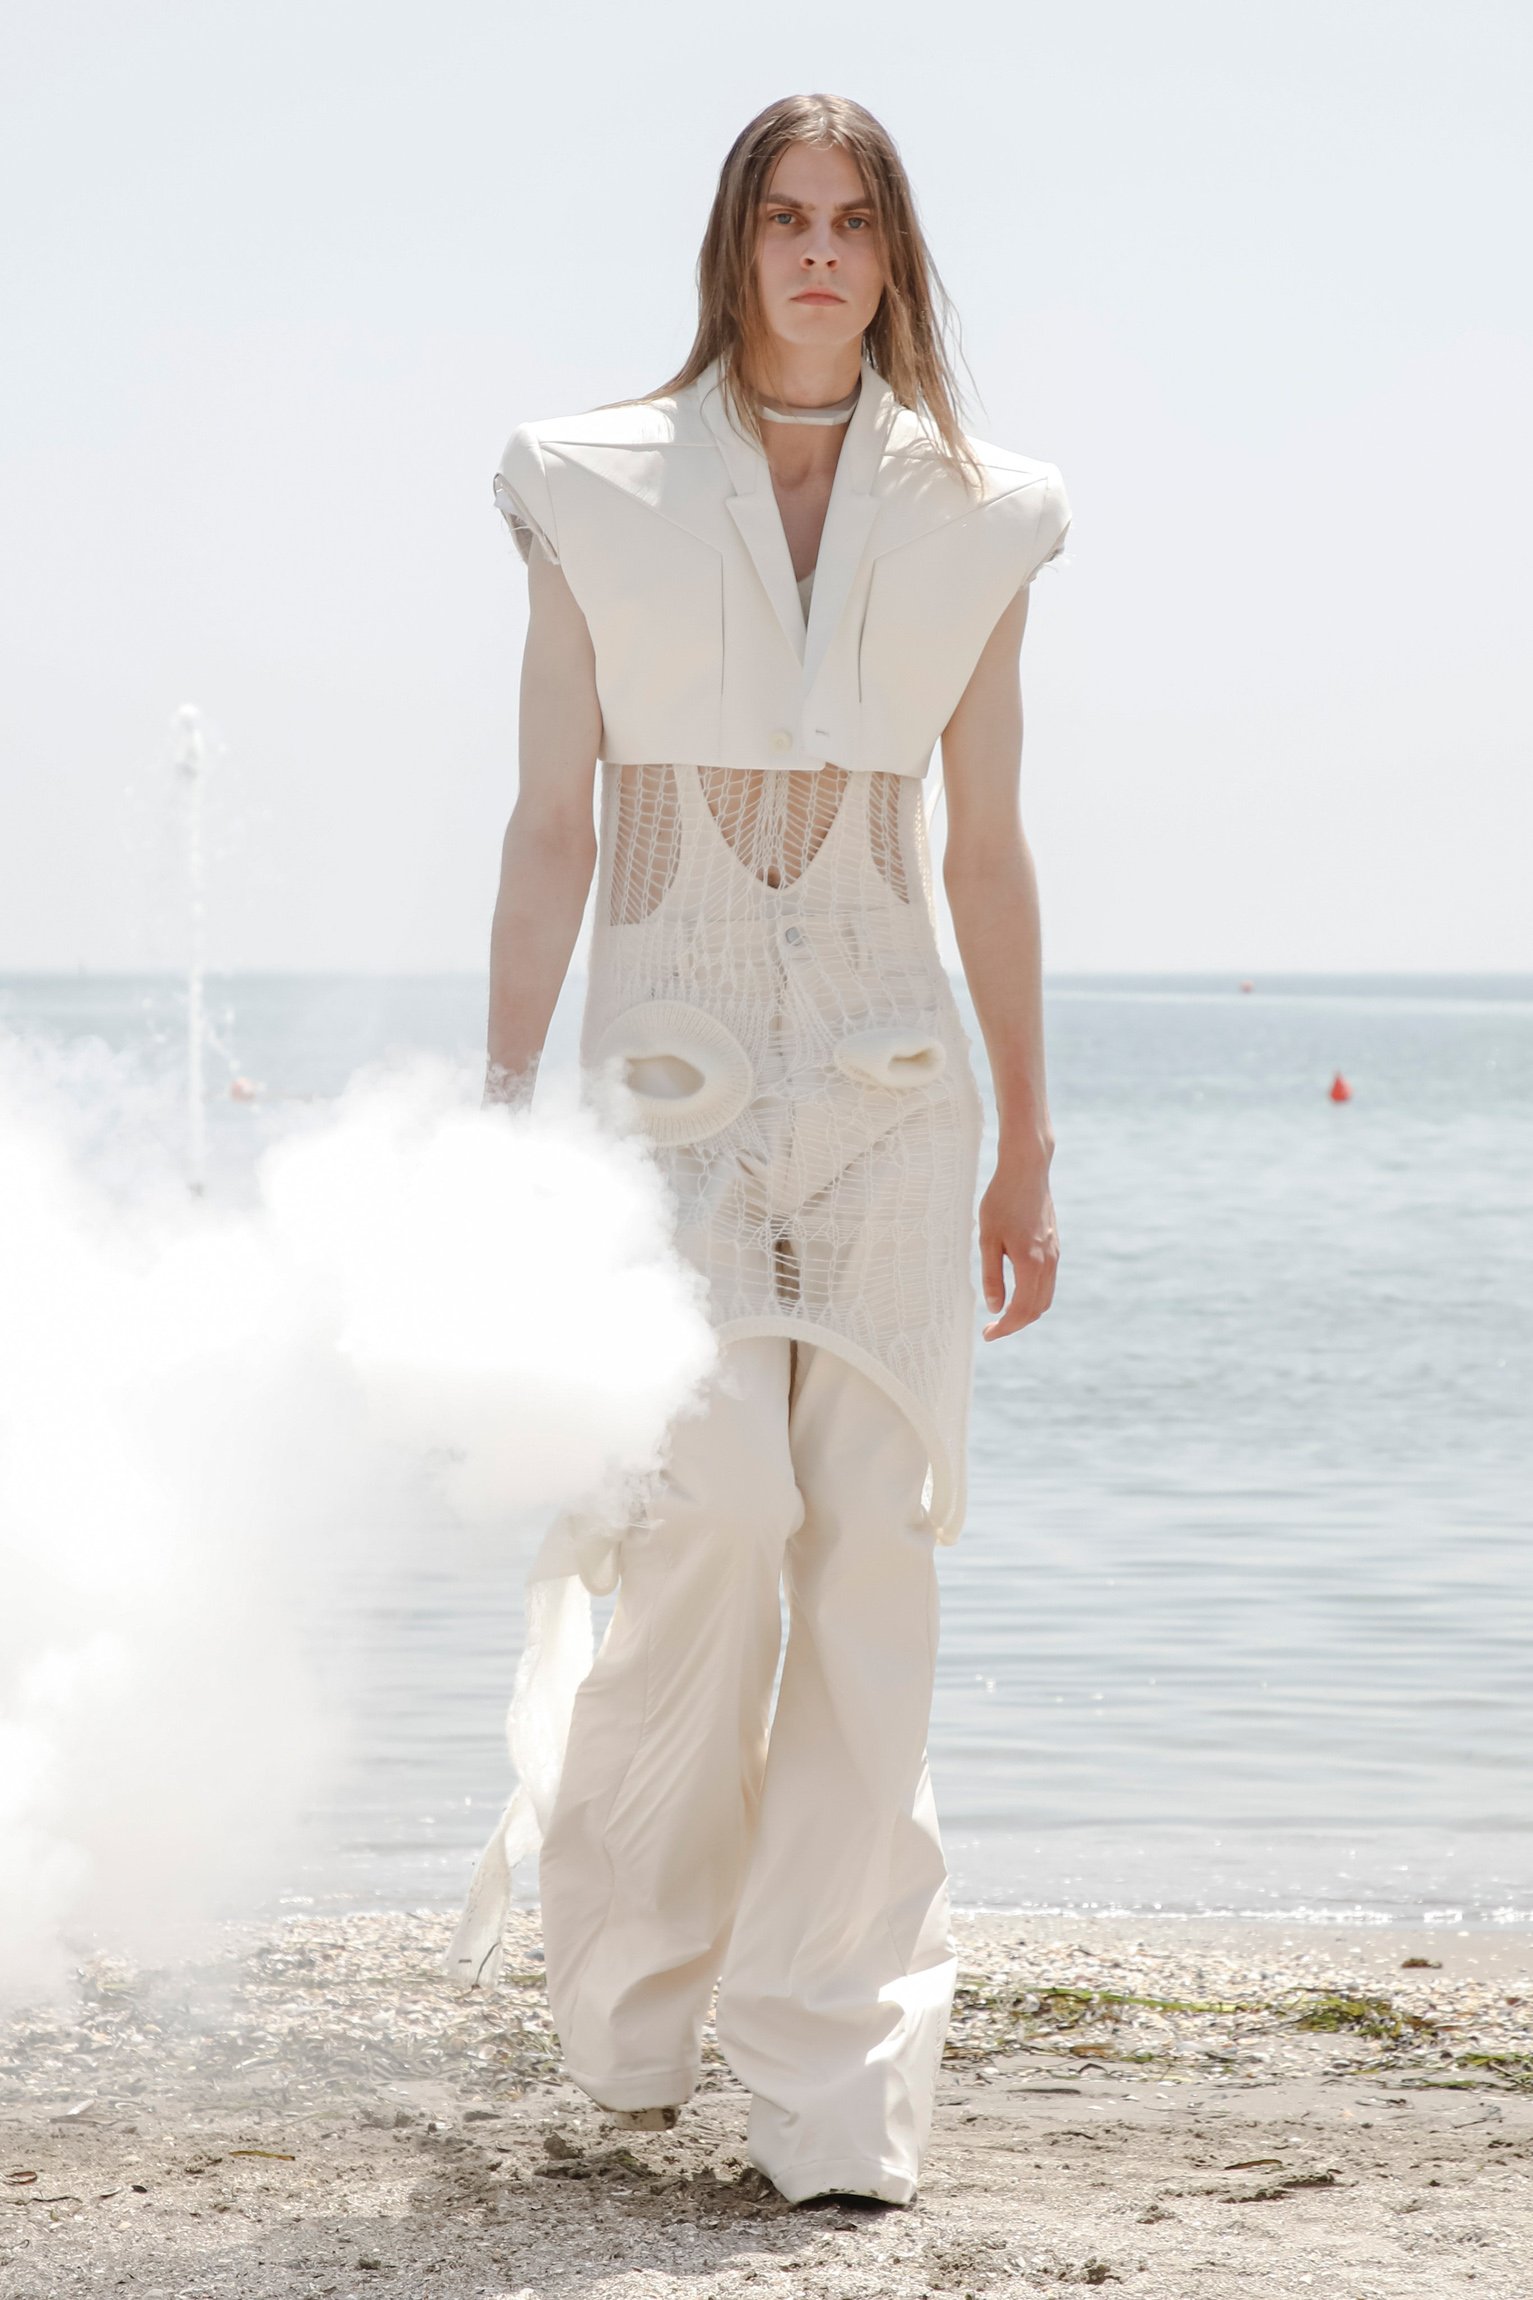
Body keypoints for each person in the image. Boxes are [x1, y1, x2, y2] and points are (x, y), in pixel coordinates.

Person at [453, 92, 1069, 2209]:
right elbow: (551, 827)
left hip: (895, 1093)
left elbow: (986, 849)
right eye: (785, 218)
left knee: (869, 1551)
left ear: (893, 258)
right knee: (706, 1508)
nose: (818, 254)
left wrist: (1028, 1143)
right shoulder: (587, 483)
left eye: (854, 221)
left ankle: (832, 2087)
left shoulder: (982, 512)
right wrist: (498, 1126)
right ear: (732, 248)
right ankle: (631, 2012)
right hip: (664, 1085)